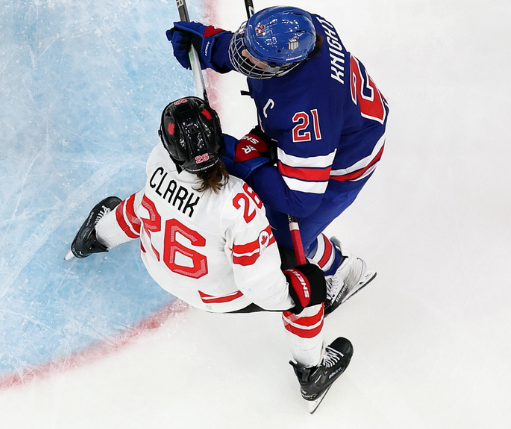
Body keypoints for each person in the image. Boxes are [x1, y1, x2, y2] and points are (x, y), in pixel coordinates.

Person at [68, 97, 352, 410]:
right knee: (309, 284)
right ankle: (312, 371)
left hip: (156, 263)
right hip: (218, 295)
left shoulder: (158, 159)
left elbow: (169, 198)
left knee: (147, 203)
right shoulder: (238, 204)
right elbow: (259, 286)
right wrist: (300, 296)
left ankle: (96, 237)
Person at [165, 6, 382, 313]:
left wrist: (241, 157)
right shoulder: (302, 27)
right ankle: (335, 261)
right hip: (330, 123)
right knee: (278, 220)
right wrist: (212, 46)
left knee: (281, 237)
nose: (243, 56)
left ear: (286, 66)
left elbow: (299, 199)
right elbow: (256, 46)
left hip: (342, 162)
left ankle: (345, 271)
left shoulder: (307, 114)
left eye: (254, 57)